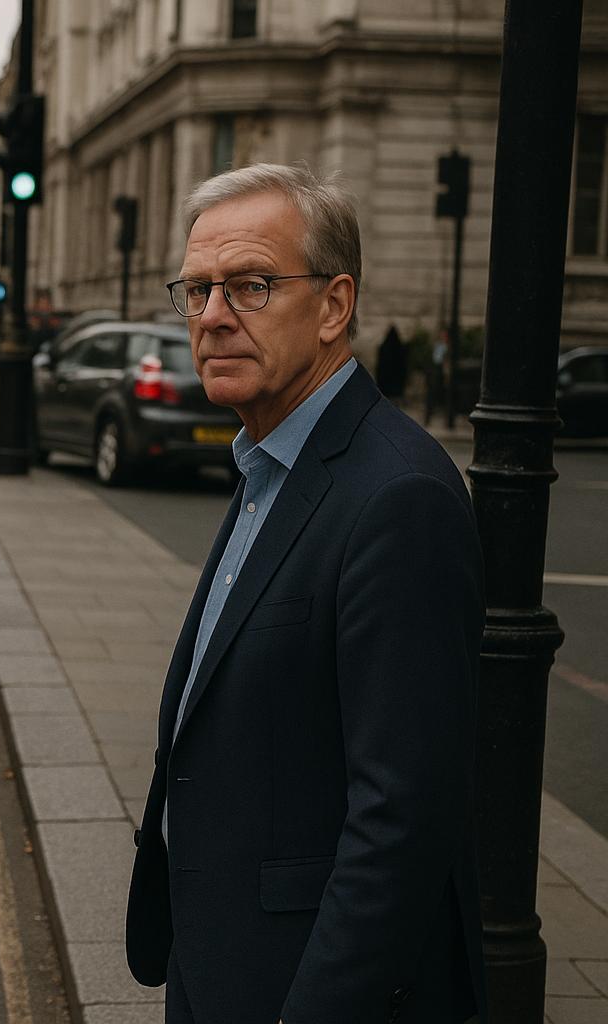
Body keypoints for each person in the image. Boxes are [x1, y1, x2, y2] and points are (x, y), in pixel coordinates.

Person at [126, 164, 486, 1023]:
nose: (214, 316)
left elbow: (400, 824)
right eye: (198, 290)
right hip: (216, 956)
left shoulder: (398, 497)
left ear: (333, 306)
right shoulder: (269, 461)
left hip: (302, 986)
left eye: (251, 285)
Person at [374, 323, 408, 401]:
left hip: (385, 384)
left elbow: (380, 368)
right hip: (396, 384)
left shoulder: (384, 348)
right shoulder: (400, 349)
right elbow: (403, 368)